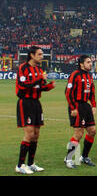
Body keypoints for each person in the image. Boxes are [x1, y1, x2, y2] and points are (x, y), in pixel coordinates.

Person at [15, 46, 55, 174]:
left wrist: (48, 86)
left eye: (42, 54)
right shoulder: (23, 68)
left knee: (36, 135)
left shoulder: (39, 69)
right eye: (39, 54)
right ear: (32, 55)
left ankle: (31, 163)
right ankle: (20, 165)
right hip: (25, 102)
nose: (42, 56)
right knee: (30, 133)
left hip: (36, 103)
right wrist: (39, 79)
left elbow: (40, 86)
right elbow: (24, 85)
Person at [64, 55, 97, 169]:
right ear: (81, 64)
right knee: (78, 133)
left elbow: (92, 92)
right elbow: (68, 92)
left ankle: (84, 157)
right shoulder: (75, 75)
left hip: (86, 106)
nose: (90, 64)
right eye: (88, 62)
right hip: (77, 106)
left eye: (91, 62)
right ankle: (69, 159)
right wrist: (73, 108)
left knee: (92, 131)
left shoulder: (89, 76)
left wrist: (93, 105)